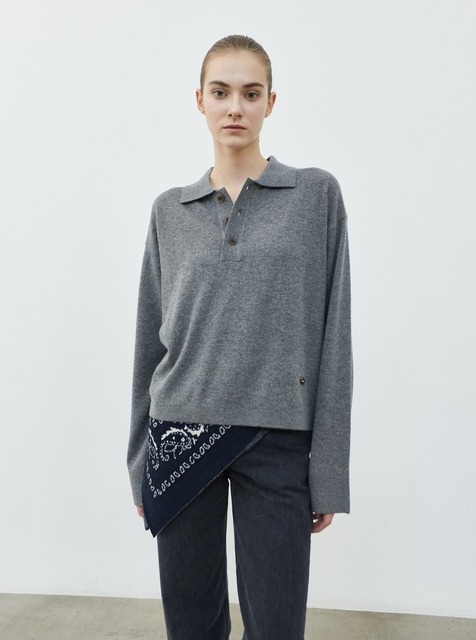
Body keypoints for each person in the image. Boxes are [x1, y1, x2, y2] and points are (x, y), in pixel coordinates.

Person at [127, 34, 352, 640]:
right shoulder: (170, 210)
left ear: (271, 102)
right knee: (192, 626)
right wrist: (140, 458)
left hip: (277, 438)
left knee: (277, 625)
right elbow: (149, 343)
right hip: (181, 433)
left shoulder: (316, 196)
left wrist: (329, 471)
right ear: (199, 100)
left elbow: (335, 340)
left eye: (251, 94)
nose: (235, 107)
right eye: (221, 92)